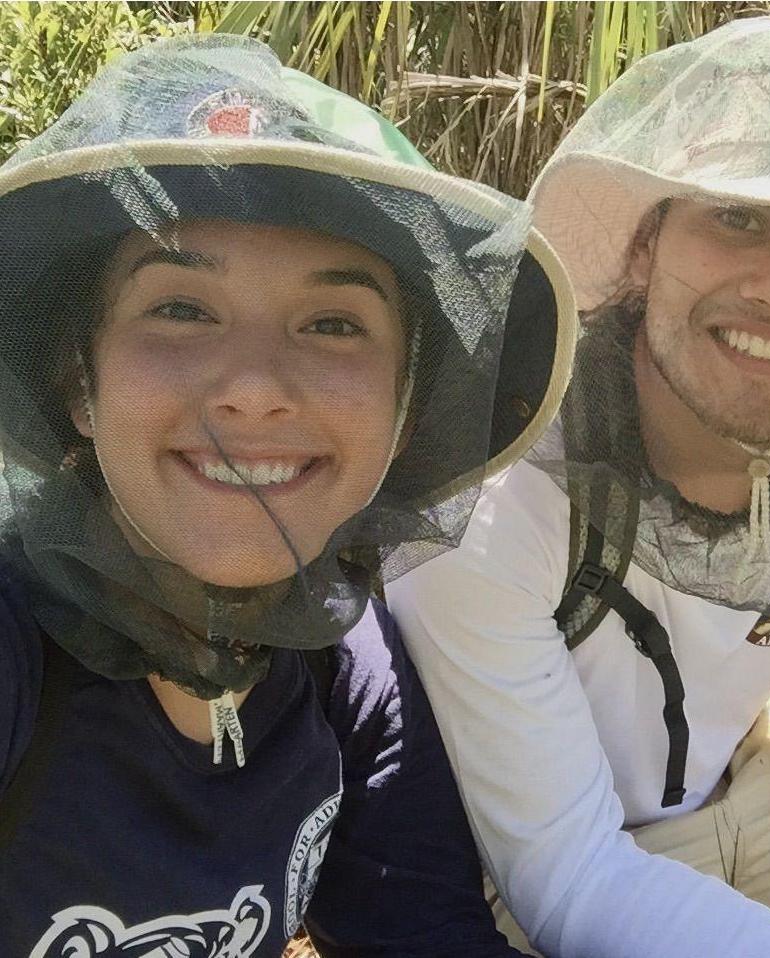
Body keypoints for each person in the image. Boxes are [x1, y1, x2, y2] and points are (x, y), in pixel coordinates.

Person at [387, 3, 770, 956]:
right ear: (644, 247)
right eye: (737, 217)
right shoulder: (493, 492)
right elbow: (568, 884)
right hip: (530, 881)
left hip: (763, 785)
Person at [0, 34, 575, 958]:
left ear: (403, 405)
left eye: (332, 323)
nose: (255, 388)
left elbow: (420, 925)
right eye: (181, 309)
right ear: (78, 377)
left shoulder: (344, 660)